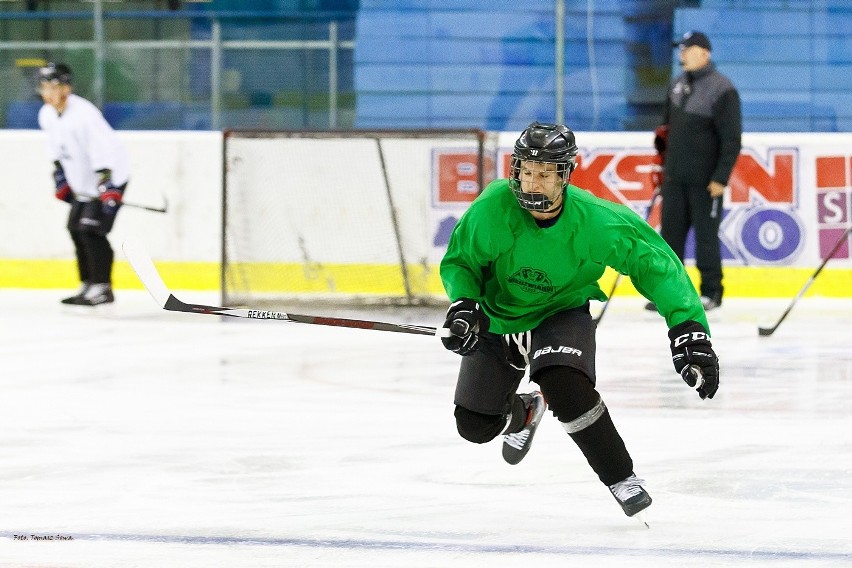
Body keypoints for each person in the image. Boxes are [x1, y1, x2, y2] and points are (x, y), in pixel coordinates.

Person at [439, 121, 720, 523]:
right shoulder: (494, 206)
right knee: (475, 425)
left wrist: (688, 327)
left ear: (565, 175)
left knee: (566, 386)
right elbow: (461, 261)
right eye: (527, 172)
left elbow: (656, 266)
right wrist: (464, 304)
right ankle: (523, 413)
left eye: (545, 175)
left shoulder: (594, 221)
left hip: (560, 311)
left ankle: (622, 478)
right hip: (498, 317)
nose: (533, 184)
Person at [647, 30, 742, 313]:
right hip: (674, 178)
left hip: (706, 182)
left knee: (706, 239)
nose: (682, 55)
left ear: (705, 53)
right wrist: (662, 167)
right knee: (670, 239)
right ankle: (669, 293)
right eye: (681, 49)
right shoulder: (677, 85)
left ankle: (711, 292)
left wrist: (720, 177)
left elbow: (732, 139)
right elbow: (666, 132)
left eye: (688, 49)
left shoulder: (723, 89)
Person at [37, 62, 131, 306]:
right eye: (44, 87)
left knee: (92, 231)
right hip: (83, 184)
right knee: (75, 229)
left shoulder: (84, 115)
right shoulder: (47, 114)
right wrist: (60, 178)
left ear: (66, 88)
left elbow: (105, 151)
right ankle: (88, 284)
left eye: (52, 86)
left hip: (108, 179)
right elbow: (56, 152)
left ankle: (103, 287)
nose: (47, 92)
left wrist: (108, 186)